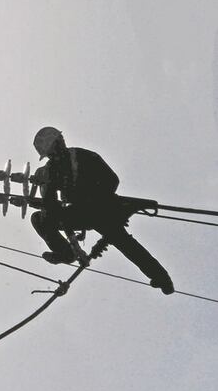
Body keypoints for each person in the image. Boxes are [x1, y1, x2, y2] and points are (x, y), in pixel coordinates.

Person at [29, 126, 174, 294]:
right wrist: (42, 205)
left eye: (51, 151)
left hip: (103, 209)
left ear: (58, 143)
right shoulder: (51, 170)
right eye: (49, 153)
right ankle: (66, 253)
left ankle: (162, 279)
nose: (51, 155)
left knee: (125, 243)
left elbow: (111, 180)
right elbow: (51, 206)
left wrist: (91, 199)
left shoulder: (83, 156)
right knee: (40, 219)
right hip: (82, 212)